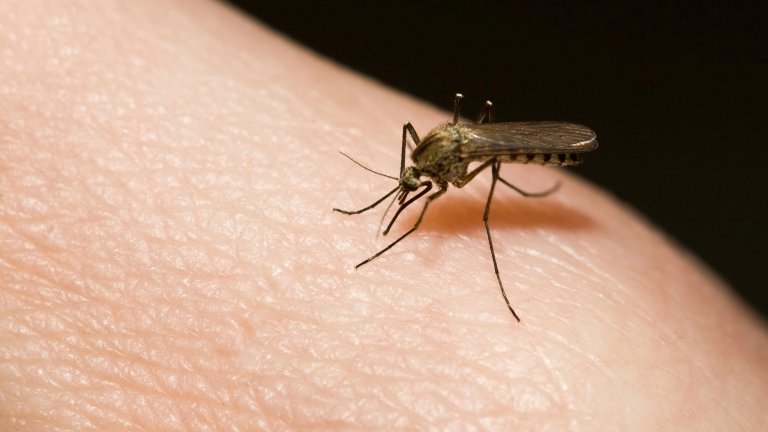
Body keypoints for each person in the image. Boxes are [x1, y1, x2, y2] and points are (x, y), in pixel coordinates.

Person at [1, 1, 766, 430]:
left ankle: (513, 207)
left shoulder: (451, 159)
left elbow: (455, 166)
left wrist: (490, 190)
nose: (412, 186)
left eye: (408, 183)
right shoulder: (426, 161)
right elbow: (422, 170)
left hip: (504, 143)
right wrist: (391, 192)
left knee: (487, 172)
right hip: (469, 142)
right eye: (408, 183)